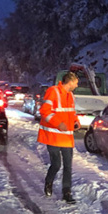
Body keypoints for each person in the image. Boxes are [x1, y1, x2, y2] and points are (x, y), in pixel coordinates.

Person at [38, 71, 81, 203]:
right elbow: (44, 111)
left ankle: (67, 192)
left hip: (67, 138)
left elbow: (72, 113)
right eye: (76, 83)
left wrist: (76, 121)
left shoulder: (71, 95)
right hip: (53, 137)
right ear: (70, 81)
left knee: (68, 166)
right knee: (56, 164)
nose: (77, 85)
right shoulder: (53, 91)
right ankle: (48, 182)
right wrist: (58, 123)